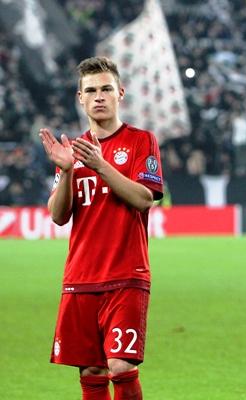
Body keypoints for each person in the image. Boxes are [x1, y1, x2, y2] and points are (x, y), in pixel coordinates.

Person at [39, 56, 163, 400]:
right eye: (90, 90)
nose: (99, 96)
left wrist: (101, 165)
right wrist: (66, 171)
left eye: (106, 89)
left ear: (120, 93)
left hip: (126, 275)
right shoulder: (71, 151)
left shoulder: (141, 141)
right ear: (80, 98)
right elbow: (58, 215)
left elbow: (144, 199)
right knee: (92, 371)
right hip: (80, 277)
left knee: (120, 367)